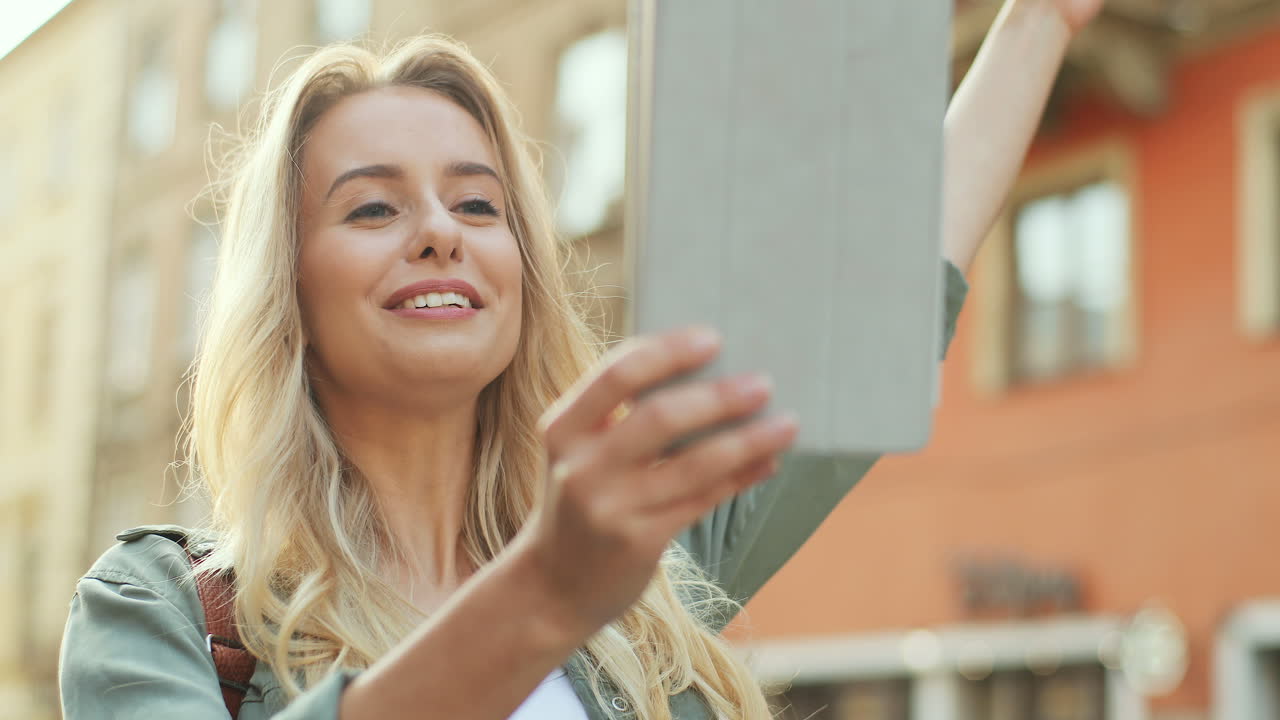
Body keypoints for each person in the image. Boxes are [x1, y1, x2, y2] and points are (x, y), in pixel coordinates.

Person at [58, 1, 1102, 718]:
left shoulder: (642, 565)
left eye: (478, 202)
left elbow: (883, 303)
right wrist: (548, 592)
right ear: (285, 286)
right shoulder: (156, 609)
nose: (439, 231)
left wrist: (1040, 21)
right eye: (372, 206)